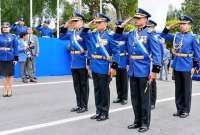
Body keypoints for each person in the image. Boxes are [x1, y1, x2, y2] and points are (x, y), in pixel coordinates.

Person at [125, 9, 162, 132]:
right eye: (136, 18)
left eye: (139, 18)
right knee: (135, 98)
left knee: (144, 99)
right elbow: (117, 35)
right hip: (133, 70)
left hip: (144, 70)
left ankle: (145, 123)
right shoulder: (131, 33)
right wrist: (126, 22)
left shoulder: (151, 34)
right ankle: (137, 121)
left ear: (146, 19)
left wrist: (154, 71)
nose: (137, 20)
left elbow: (157, 54)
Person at [161, 16, 200, 118]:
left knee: (186, 89)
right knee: (178, 89)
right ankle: (179, 109)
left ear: (189, 25)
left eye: (184, 24)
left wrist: (195, 67)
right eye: (181, 24)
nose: (182, 26)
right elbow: (163, 35)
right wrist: (170, 26)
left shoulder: (193, 37)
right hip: (177, 65)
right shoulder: (176, 36)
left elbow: (197, 54)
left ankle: (186, 110)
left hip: (187, 66)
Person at [85, 13, 120, 121]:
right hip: (95, 65)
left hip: (105, 66)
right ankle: (98, 111)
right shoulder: (93, 34)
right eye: (96, 22)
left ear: (105, 23)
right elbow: (83, 34)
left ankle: (104, 112)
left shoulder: (110, 35)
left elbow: (116, 52)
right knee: (97, 90)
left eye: (99, 22)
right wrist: (88, 25)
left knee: (104, 90)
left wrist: (113, 67)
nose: (97, 24)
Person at [62, 13, 90, 113]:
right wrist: (67, 24)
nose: (74, 23)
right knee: (76, 85)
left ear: (82, 22)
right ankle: (79, 105)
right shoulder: (72, 33)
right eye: (73, 22)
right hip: (74, 61)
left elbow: (89, 48)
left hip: (82, 60)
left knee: (83, 84)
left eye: (76, 21)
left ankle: (84, 105)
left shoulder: (86, 32)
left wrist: (87, 62)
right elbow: (62, 36)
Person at [146, 19, 164, 110]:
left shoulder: (157, 38)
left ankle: (152, 102)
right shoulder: (145, 36)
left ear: (153, 27)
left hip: (153, 63)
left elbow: (160, 53)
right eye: (147, 27)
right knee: (146, 83)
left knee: (152, 83)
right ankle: (147, 101)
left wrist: (156, 68)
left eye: (149, 27)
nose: (147, 28)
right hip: (145, 63)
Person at [112, 20, 129, 105]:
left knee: (124, 81)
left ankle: (124, 98)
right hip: (116, 60)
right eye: (116, 26)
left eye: (117, 26)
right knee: (118, 80)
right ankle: (119, 96)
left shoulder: (126, 36)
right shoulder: (114, 36)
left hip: (124, 59)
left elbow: (130, 50)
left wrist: (128, 63)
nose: (116, 28)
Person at [0, 22, 18, 97]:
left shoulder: (13, 37)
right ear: (2, 28)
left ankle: (10, 89)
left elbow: (16, 48)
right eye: (4, 27)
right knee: (4, 75)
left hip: (10, 57)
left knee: (10, 75)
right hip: (2, 57)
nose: (5, 28)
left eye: (7, 27)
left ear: (9, 28)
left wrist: (16, 58)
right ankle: (5, 90)